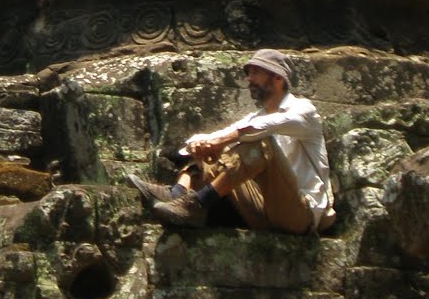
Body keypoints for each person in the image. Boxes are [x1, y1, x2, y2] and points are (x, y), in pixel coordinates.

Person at [130, 51, 335, 234]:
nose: (249, 79)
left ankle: (199, 204)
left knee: (260, 144)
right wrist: (200, 145)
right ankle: (176, 193)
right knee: (211, 151)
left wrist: (220, 141)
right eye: (249, 73)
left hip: (301, 214)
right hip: (262, 210)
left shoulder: (305, 111)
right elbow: (217, 136)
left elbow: (266, 127)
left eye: (256, 73)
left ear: (278, 78)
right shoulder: (255, 117)